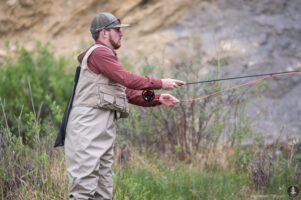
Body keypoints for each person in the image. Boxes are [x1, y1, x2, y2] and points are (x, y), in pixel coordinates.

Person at [64, 12, 185, 200]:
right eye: (117, 30)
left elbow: (128, 92)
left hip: (101, 128)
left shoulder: (107, 60)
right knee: (83, 189)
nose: (121, 34)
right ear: (104, 33)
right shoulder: (99, 52)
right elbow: (127, 79)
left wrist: (159, 98)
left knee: (103, 191)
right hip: (87, 127)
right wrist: (161, 82)